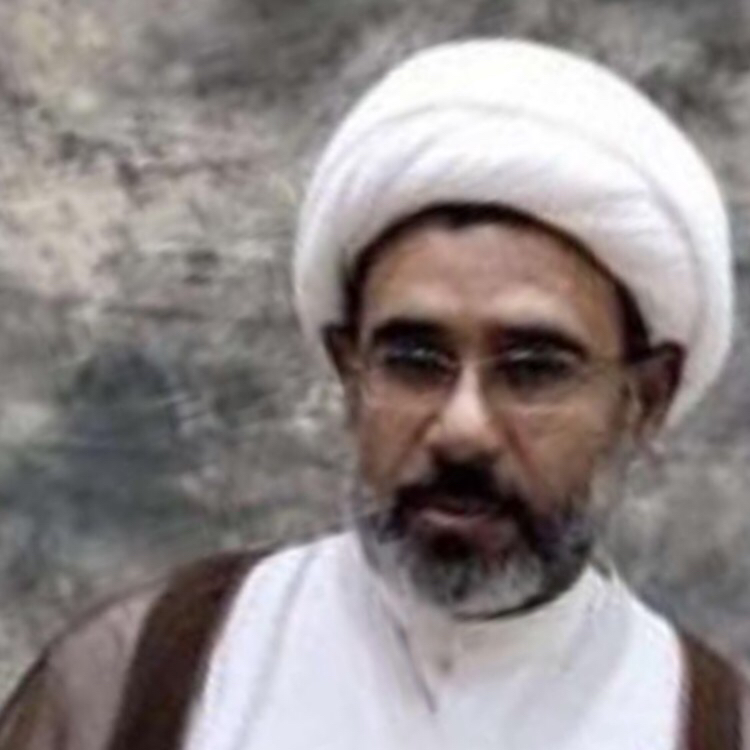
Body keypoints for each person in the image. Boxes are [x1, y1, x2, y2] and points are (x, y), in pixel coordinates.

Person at [0, 38, 745, 750]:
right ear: (349, 373)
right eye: (415, 361)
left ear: (643, 401)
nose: (463, 428)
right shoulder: (150, 672)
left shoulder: (710, 727)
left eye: (534, 369)